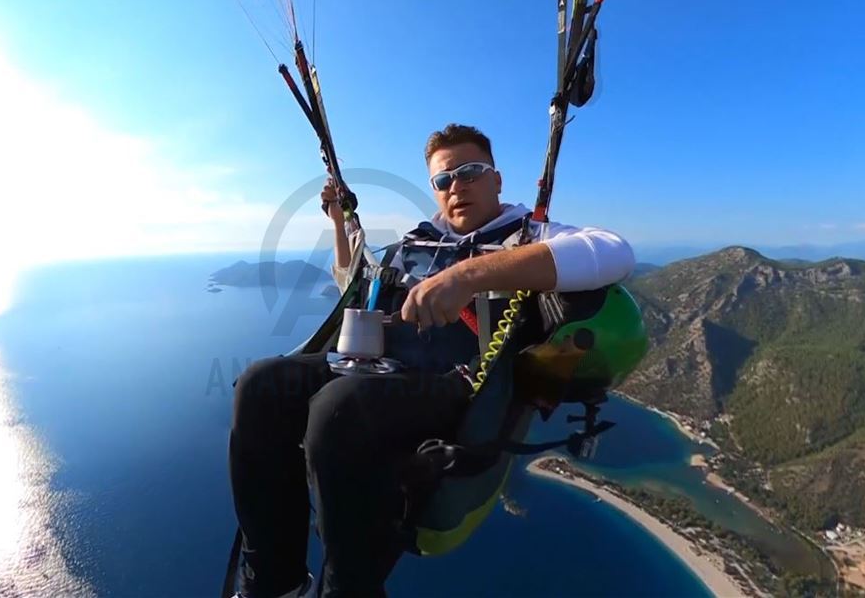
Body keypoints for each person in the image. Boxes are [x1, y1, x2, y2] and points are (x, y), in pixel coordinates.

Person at [228, 124, 635, 598]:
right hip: (377, 370)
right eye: (444, 180)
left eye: (470, 172)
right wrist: (340, 222)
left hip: (456, 385)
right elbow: (359, 285)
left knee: (337, 409)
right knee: (258, 385)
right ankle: (274, 584)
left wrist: (469, 276)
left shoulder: (531, 234)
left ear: (498, 180)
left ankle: (349, 590)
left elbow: (613, 251)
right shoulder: (416, 244)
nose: (456, 186)